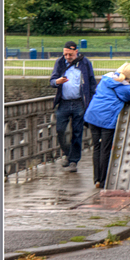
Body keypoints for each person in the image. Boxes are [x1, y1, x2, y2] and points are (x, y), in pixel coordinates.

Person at [84, 62, 130, 189]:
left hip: (92, 115)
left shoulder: (105, 79)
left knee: (97, 148)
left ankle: (96, 179)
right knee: (105, 149)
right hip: (106, 119)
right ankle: (103, 180)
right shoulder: (123, 87)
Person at [50, 41, 97, 173]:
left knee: (77, 132)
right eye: (65, 54)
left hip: (79, 103)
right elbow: (52, 80)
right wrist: (57, 82)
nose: (67, 57)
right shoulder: (59, 62)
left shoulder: (85, 63)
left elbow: (92, 82)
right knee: (60, 130)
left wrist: (92, 101)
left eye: (70, 54)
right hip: (64, 102)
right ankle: (67, 153)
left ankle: (73, 161)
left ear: (76, 51)